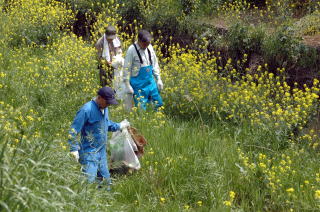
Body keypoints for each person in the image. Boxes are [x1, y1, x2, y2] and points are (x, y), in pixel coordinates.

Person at [68, 87, 130, 189]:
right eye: (107, 102)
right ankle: (83, 203)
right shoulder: (86, 110)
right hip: (89, 153)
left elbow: (106, 124)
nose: (109, 105)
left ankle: (104, 203)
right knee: (88, 183)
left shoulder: (105, 108)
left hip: (101, 152)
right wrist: (73, 149)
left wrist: (119, 126)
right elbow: (73, 130)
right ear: (100, 98)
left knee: (106, 183)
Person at [122, 29, 164, 110]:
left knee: (158, 103)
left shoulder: (150, 47)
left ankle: (158, 117)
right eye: (144, 44)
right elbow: (126, 68)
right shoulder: (131, 50)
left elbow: (155, 63)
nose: (146, 46)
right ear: (139, 41)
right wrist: (127, 84)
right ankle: (143, 121)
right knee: (141, 107)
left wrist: (158, 79)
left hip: (150, 81)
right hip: (138, 83)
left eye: (148, 44)